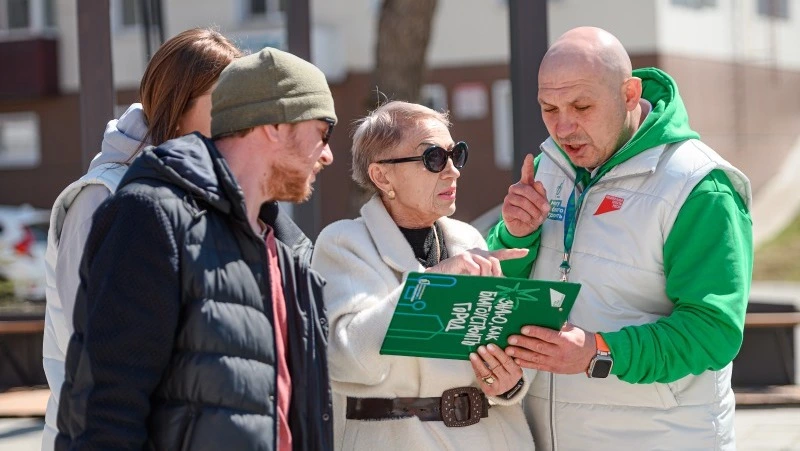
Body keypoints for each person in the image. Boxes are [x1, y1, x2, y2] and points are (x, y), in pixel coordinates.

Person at [55, 47, 337, 450]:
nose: (327, 154)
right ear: (274, 125)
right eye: (322, 133)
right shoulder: (151, 216)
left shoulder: (286, 251)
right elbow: (106, 406)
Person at [487, 27, 752, 450]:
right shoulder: (547, 167)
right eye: (548, 108)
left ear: (629, 94)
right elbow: (500, 288)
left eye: (582, 105)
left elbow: (712, 332)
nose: (563, 126)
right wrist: (516, 235)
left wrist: (597, 351)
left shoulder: (699, 185)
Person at [41, 28, 241, 451]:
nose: (237, 118)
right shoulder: (103, 194)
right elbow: (93, 342)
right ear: (177, 101)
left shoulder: (214, 194)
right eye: (223, 102)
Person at [311, 101, 534, 450]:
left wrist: (508, 382)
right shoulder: (343, 243)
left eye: (456, 154)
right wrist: (433, 283)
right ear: (382, 176)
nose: (452, 171)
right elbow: (347, 360)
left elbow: (503, 353)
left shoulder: (469, 241)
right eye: (433, 158)